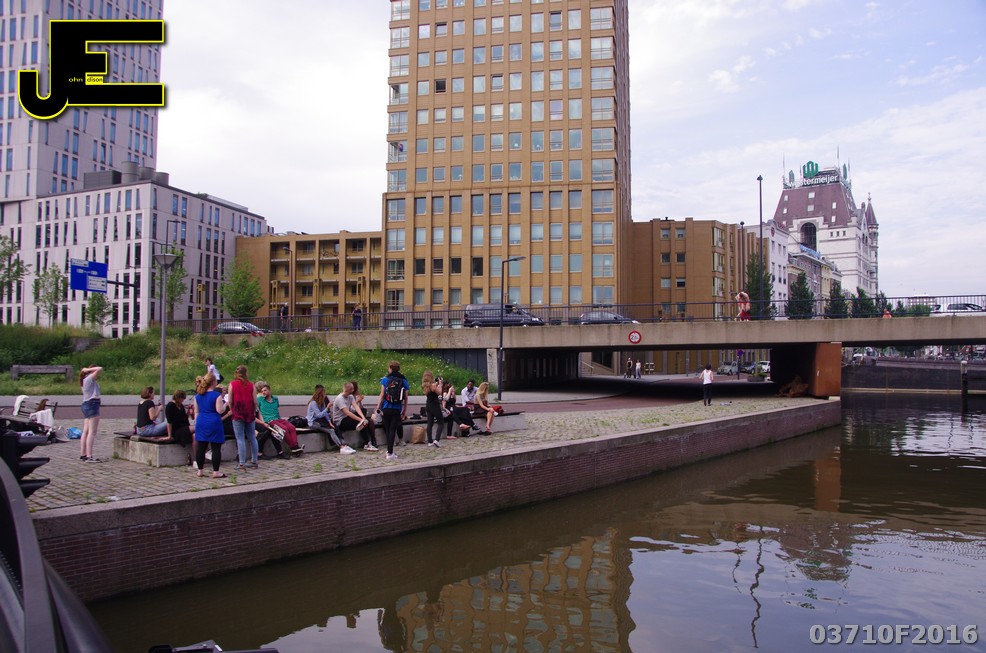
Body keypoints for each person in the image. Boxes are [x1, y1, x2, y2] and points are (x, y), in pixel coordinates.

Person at [191, 372, 227, 478]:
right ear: (213, 382)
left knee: (201, 447)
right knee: (215, 447)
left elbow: (196, 411)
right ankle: (216, 471)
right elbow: (220, 410)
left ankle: (200, 470)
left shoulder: (198, 396)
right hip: (213, 421)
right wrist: (226, 404)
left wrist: (197, 422)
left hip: (201, 421)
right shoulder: (216, 395)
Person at [255, 381, 304, 455]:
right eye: (262, 391)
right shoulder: (260, 399)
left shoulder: (275, 399)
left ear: (269, 390)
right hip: (269, 420)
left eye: (265, 390)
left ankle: (295, 446)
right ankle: (293, 447)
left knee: (292, 427)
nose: (263, 392)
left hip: (278, 418)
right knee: (284, 429)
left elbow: (276, 408)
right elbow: (258, 410)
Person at [374, 360, 409, 461]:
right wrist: (404, 411)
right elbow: (406, 397)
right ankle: (390, 453)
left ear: (390, 368)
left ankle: (389, 451)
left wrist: (378, 407)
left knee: (388, 429)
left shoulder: (385, 379)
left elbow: (382, 395)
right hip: (396, 409)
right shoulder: (403, 380)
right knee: (393, 430)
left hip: (386, 408)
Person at [307, 384, 356, 454]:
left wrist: (330, 422)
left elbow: (326, 414)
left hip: (320, 420)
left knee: (335, 427)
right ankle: (341, 447)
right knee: (331, 431)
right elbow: (319, 415)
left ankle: (344, 444)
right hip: (313, 422)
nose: (325, 396)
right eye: (323, 394)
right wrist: (327, 408)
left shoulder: (322, 402)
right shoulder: (313, 403)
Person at [227, 365, 259, 471]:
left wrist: (231, 409)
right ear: (246, 373)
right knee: (252, 437)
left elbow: (230, 400)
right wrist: (254, 411)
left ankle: (242, 463)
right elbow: (255, 401)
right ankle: (254, 461)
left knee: (240, 438)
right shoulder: (251, 385)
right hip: (249, 413)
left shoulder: (232, 384)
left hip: (237, 412)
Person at [332, 382, 376, 451]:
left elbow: (356, 407)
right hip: (340, 421)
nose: (353, 390)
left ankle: (366, 443)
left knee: (363, 412)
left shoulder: (350, 397)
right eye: (352, 389)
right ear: (350, 389)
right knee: (361, 423)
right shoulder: (340, 399)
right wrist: (361, 420)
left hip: (347, 418)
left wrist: (363, 418)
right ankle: (366, 443)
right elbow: (348, 412)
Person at [79, 365, 103, 462]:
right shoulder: (89, 379)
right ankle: (89, 456)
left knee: (86, 431)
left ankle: (83, 454)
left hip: (86, 404)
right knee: (92, 432)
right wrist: (87, 369)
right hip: (92, 404)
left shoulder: (84, 380)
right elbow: (100, 368)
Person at [351, 380, 380, 450]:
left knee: (370, 421)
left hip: (360, 417)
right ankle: (366, 442)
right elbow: (351, 409)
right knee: (364, 421)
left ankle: (373, 440)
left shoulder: (356, 397)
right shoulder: (350, 397)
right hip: (353, 417)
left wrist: (360, 402)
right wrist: (357, 401)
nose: (359, 390)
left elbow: (360, 409)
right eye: (358, 389)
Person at [421, 372, 444, 447]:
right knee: (441, 423)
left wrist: (437, 383)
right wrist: (440, 384)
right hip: (435, 406)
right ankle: (437, 440)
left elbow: (433, 388)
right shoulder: (433, 385)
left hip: (428, 405)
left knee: (430, 424)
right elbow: (439, 393)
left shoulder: (425, 386)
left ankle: (430, 441)